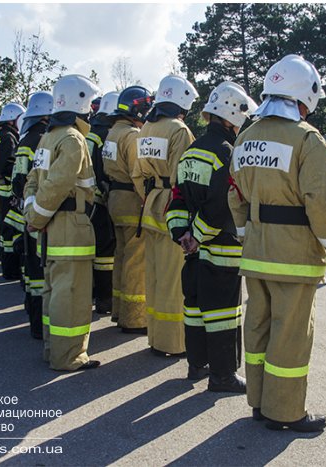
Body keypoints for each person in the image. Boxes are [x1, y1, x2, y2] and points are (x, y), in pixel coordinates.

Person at [228, 55, 326, 432]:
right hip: (295, 256)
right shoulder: (306, 138)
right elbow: (323, 202)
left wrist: (247, 234)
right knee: (290, 335)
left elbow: (234, 195)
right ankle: (284, 412)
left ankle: (259, 401)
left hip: (257, 252)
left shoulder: (245, 136)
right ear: (304, 96)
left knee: (259, 326)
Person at [167, 81, 257, 393]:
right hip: (220, 247)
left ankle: (197, 363)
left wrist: (182, 234)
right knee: (222, 312)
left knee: (194, 305)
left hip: (192, 250)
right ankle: (222, 376)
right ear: (232, 117)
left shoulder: (191, 152)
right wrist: (198, 236)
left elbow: (176, 197)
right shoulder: (227, 153)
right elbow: (222, 204)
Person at [24, 74, 101, 371]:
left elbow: (32, 183)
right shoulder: (72, 139)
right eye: (89, 103)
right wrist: (37, 218)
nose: (92, 110)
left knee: (54, 292)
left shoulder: (47, 137)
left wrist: (34, 218)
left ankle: (52, 349)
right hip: (70, 228)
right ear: (78, 101)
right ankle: (68, 356)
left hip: (50, 229)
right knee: (71, 295)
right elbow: (56, 185)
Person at [134, 75, 198, 358]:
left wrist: (150, 196)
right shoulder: (179, 130)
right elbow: (182, 178)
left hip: (150, 206)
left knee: (156, 276)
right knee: (174, 279)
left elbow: (137, 173)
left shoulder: (146, 126)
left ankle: (156, 338)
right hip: (171, 208)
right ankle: (174, 343)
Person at [102, 85, 153, 334]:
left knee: (121, 256)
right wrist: (148, 199)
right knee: (136, 260)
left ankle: (120, 310)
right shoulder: (132, 136)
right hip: (132, 201)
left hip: (114, 199)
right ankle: (134, 318)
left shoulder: (113, 133)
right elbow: (138, 173)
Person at [8, 91, 53, 339]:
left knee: (32, 270)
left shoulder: (26, 143)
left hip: (28, 210)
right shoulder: (46, 142)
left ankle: (34, 321)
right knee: (41, 271)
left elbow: (18, 181)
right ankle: (41, 328)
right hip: (44, 214)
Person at [86, 91, 119, 314]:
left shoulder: (90, 132)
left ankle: (93, 294)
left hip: (87, 200)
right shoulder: (107, 134)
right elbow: (106, 168)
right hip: (101, 199)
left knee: (93, 250)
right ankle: (105, 299)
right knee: (106, 253)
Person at [0, 102, 25, 279]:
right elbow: (8, 164)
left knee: (6, 230)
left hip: (1, 190)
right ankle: (11, 269)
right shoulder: (8, 138)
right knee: (12, 229)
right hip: (7, 191)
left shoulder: (1, 135)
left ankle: (8, 267)